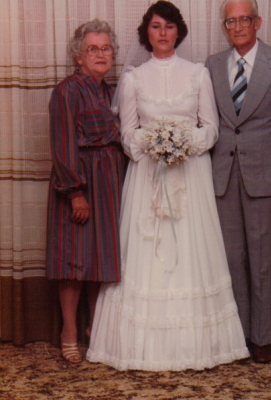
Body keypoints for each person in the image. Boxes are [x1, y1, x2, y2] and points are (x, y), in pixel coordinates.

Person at [86, 1, 249, 371]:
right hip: (147, 179)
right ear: (146, 33)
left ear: (179, 31)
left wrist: (181, 145)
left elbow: (211, 128)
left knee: (191, 255)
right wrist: (155, 146)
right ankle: (141, 346)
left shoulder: (198, 74)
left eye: (169, 26)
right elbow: (127, 134)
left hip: (190, 176)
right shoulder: (132, 78)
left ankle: (195, 347)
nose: (162, 33)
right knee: (147, 255)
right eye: (156, 26)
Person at [205, 0, 271, 363]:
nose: (237, 27)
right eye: (230, 21)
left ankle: (262, 338)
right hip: (223, 179)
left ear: (257, 22)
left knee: (262, 261)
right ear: (224, 27)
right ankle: (238, 335)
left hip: (266, 181)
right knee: (231, 261)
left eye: (244, 19)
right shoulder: (213, 65)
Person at [47, 19, 125, 364]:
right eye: (92, 49)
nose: (100, 54)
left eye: (105, 48)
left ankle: (95, 328)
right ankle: (68, 332)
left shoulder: (113, 91)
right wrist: (75, 192)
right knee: (73, 261)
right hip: (79, 182)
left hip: (110, 183)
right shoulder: (67, 90)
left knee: (100, 261)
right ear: (78, 56)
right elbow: (62, 144)